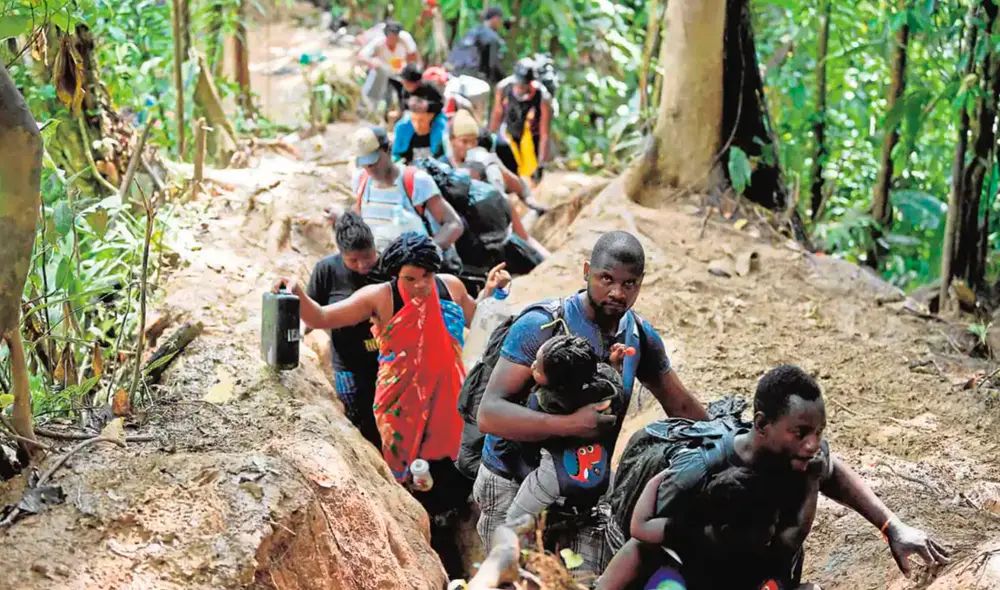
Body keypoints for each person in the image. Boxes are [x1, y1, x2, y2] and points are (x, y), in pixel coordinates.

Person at [273, 232, 511, 578]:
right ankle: (420, 531)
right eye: (410, 278)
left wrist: (490, 292)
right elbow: (323, 317)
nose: (420, 286)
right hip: (400, 406)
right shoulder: (379, 297)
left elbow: (478, 320)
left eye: (426, 276)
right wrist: (297, 293)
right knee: (407, 472)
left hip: (447, 395)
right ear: (395, 274)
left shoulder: (451, 288)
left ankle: (451, 520)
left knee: (449, 461)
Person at [474, 231, 708, 573]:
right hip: (513, 481)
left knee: (584, 578)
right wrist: (570, 425)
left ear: (641, 283)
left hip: (580, 486)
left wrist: (730, 443)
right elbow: (489, 414)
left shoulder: (638, 337)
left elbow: (681, 407)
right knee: (515, 576)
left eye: (629, 283)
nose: (617, 292)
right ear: (587, 272)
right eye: (606, 279)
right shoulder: (542, 326)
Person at [601, 365, 950, 589]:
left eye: (819, 432)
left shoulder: (799, 458)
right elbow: (640, 541)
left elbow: (831, 472)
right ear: (762, 425)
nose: (813, 444)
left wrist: (892, 526)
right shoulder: (699, 470)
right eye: (801, 432)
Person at [503, 336, 628, 528]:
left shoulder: (544, 401)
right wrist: (614, 364)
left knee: (514, 521)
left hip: (554, 475)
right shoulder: (608, 388)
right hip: (600, 469)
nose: (533, 365)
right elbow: (614, 383)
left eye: (539, 368)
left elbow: (527, 436)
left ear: (557, 383)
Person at [305, 212, 380, 449]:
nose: (362, 265)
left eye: (368, 257)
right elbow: (310, 312)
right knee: (359, 421)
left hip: (388, 362)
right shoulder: (326, 270)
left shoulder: (389, 267)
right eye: (353, 260)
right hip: (348, 365)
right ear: (341, 254)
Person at [350, 126, 463, 266]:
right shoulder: (361, 182)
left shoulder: (416, 181)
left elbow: (454, 224)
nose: (369, 168)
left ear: (388, 149)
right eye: (364, 163)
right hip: (378, 268)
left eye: (373, 161)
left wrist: (425, 254)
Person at [489, 58, 553, 183]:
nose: (520, 88)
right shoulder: (503, 88)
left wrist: (540, 165)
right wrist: (489, 142)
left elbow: (545, 134)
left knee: (531, 176)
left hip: (532, 139)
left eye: (524, 85)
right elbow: (497, 115)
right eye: (518, 84)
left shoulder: (543, 98)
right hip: (509, 136)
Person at [358, 19, 419, 113]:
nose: (392, 39)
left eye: (395, 36)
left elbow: (413, 56)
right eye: (390, 36)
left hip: (399, 74)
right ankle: (370, 111)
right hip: (381, 74)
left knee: (402, 97)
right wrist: (372, 61)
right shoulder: (378, 42)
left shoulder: (405, 41)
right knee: (376, 96)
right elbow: (361, 57)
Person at [447, 7, 507, 87]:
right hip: (471, 77)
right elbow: (493, 64)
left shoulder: (470, 32)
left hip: (453, 72)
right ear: (495, 19)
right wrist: (504, 80)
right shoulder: (491, 36)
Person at [392, 83, 448, 163]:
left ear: (431, 117)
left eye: (421, 120)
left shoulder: (442, 130)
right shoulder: (402, 128)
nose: (417, 125)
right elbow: (395, 155)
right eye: (414, 120)